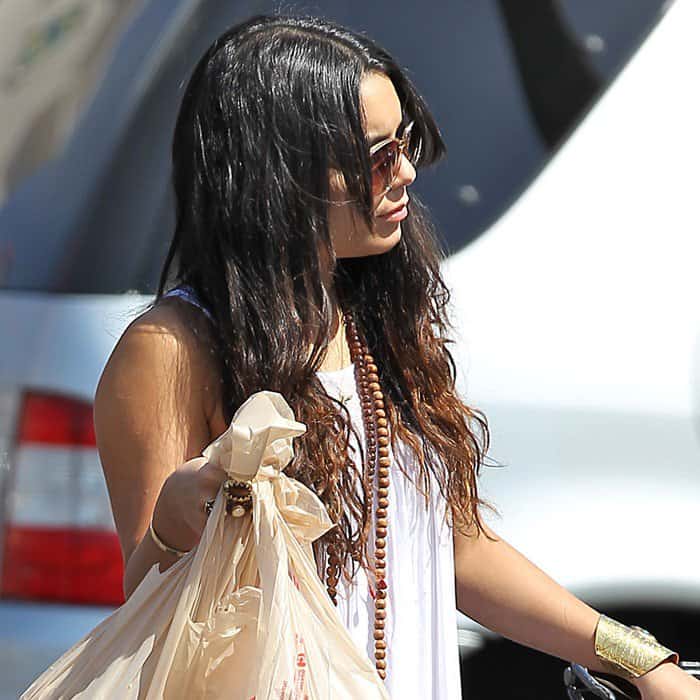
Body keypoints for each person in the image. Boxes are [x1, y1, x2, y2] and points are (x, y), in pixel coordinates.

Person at [94, 14, 698, 699]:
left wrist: (638, 659)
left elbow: (457, 549)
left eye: (405, 142)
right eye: (378, 154)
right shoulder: (170, 350)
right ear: (284, 176)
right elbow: (147, 604)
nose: (408, 170)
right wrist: (174, 527)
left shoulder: (375, 319)